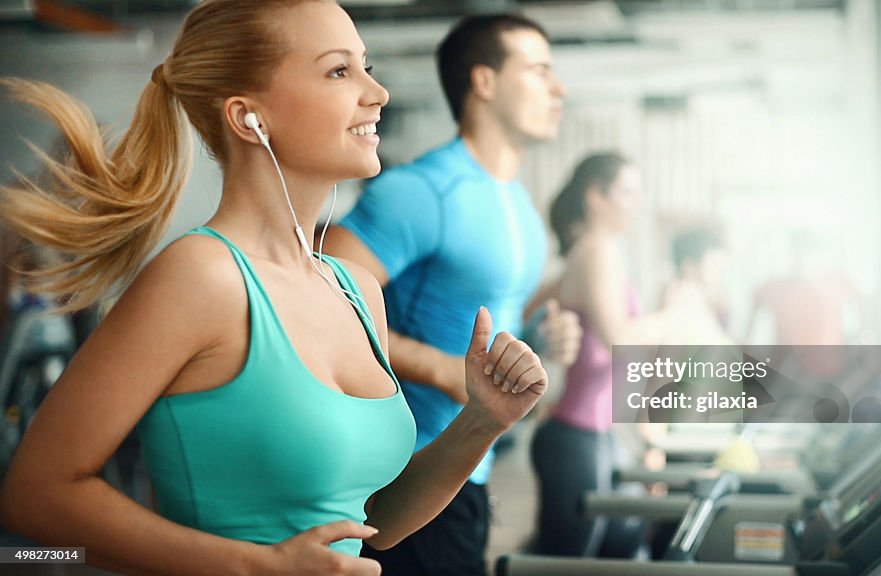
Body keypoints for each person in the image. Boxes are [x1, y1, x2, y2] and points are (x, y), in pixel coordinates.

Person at [0, 2, 548, 575]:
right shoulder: (201, 277)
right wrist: (255, 566)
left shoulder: (356, 289)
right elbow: (36, 495)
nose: (377, 92)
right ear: (248, 118)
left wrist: (483, 420)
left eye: (367, 66)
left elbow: (375, 521)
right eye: (340, 71)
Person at [323, 13, 580, 576]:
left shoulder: (520, 208)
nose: (558, 88)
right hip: (404, 479)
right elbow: (313, 304)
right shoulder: (421, 192)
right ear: (484, 82)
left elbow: (481, 324)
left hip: (472, 471)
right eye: (539, 70)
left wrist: (536, 340)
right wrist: (439, 368)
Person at [530, 152, 685, 558]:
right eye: (627, 192)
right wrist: (672, 315)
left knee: (614, 547)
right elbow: (619, 337)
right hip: (575, 436)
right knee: (566, 565)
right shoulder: (598, 250)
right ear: (596, 196)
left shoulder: (589, 252)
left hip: (594, 435)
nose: (636, 203)